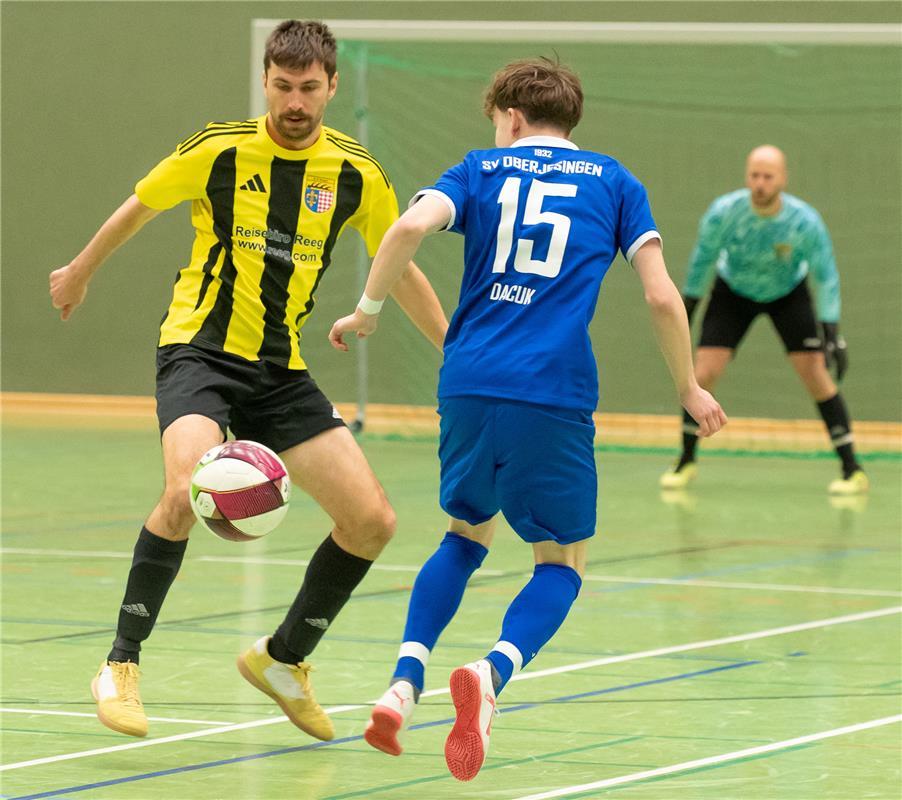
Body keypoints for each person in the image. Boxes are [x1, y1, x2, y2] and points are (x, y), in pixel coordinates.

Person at [329, 58, 726, 781]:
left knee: (465, 532)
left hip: (468, 382)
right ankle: (491, 672)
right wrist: (689, 388)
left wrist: (368, 311)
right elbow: (665, 300)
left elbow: (408, 227)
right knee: (562, 562)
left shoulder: (480, 168)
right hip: (552, 391)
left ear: (510, 118)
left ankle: (402, 683)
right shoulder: (614, 182)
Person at [48, 20, 447, 741]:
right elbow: (141, 204)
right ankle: (120, 664)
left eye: (310, 88)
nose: (296, 101)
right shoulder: (220, 149)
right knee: (182, 491)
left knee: (372, 521)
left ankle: (283, 661)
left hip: (279, 370)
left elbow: (402, 261)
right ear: (267, 80)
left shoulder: (357, 173)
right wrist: (80, 271)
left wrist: (453, 351)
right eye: (284, 86)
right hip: (198, 352)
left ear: (330, 86)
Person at [659, 145, 867, 495]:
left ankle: (852, 468)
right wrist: (688, 308)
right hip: (732, 292)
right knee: (703, 372)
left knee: (816, 372)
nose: (760, 183)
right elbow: (703, 258)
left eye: (768, 176)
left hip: (788, 293)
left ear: (782, 179)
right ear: (747, 176)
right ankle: (685, 460)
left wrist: (831, 330)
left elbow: (826, 275)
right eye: (754, 175)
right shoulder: (724, 213)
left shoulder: (804, 222)